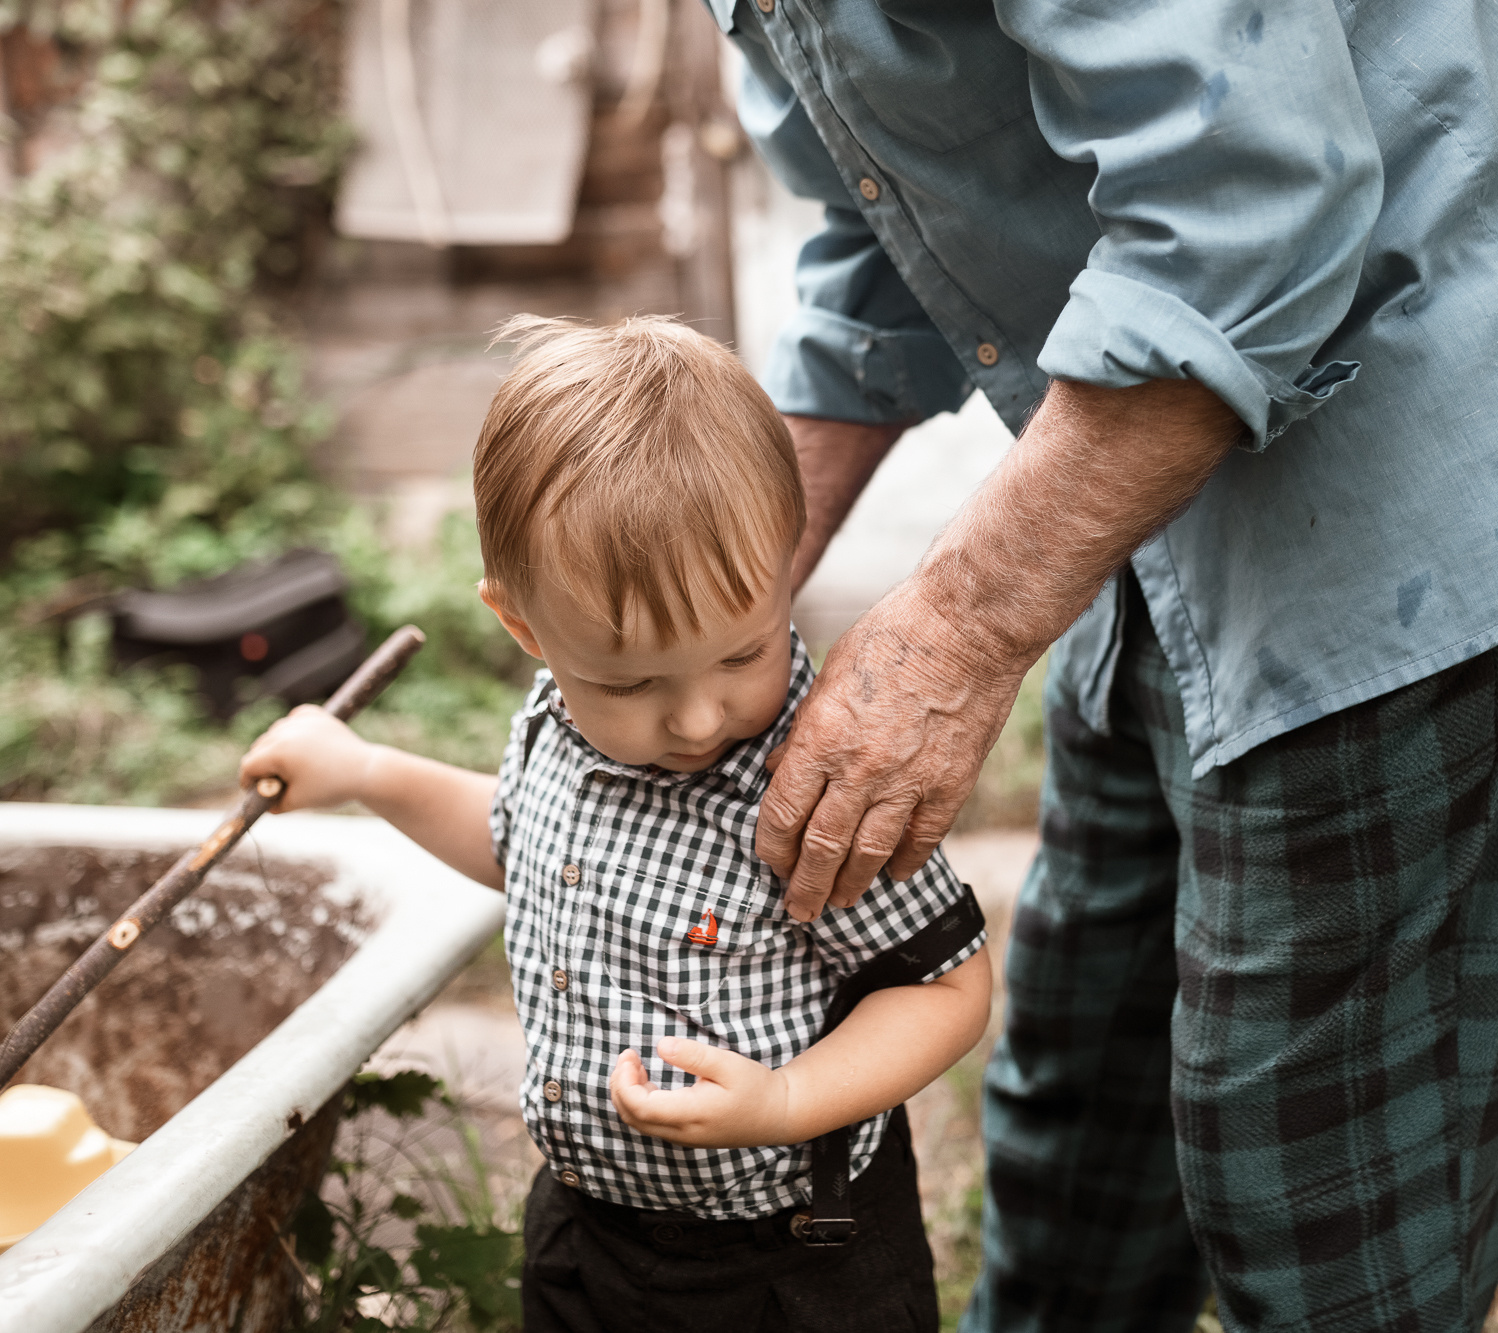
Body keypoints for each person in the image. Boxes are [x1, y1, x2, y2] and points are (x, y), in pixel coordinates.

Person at [707, 0, 1498, 1329]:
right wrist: (703, 597)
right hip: (1137, 464)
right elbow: (892, 216)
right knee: (1087, 1089)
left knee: (1303, 1163)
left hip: (1408, 427)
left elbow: (1244, 221)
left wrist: (957, 631)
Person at [240, 316, 992, 1332]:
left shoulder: (815, 782)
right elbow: (522, 844)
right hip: (587, 1228)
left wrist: (782, 1101)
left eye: (741, 654)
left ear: (782, 572)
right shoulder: (555, 729)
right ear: (525, 630)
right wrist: (368, 770)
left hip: (788, 1256)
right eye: (629, 680)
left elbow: (945, 987)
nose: (693, 718)